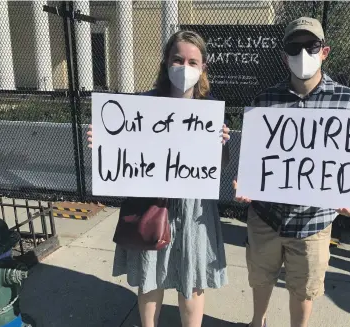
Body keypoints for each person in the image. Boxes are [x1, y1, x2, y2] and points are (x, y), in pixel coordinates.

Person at [88, 30, 231, 327]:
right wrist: (102, 141)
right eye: (177, 59)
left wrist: (222, 144)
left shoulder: (210, 110)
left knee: (191, 279)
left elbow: (220, 165)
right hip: (151, 203)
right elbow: (123, 150)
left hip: (194, 208)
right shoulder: (144, 104)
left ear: (203, 67)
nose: (184, 67)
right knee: (150, 276)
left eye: (193, 61)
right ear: (166, 62)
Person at [233, 17, 350, 327]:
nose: (303, 53)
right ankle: (257, 322)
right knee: (260, 277)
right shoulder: (264, 101)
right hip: (266, 215)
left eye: (312, 46)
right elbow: (253, 159)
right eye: (295, 47)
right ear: (284, 56)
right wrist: (246, 182)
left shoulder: (348, 102)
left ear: (325, 52)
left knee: (304, 288)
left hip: (315, 220)